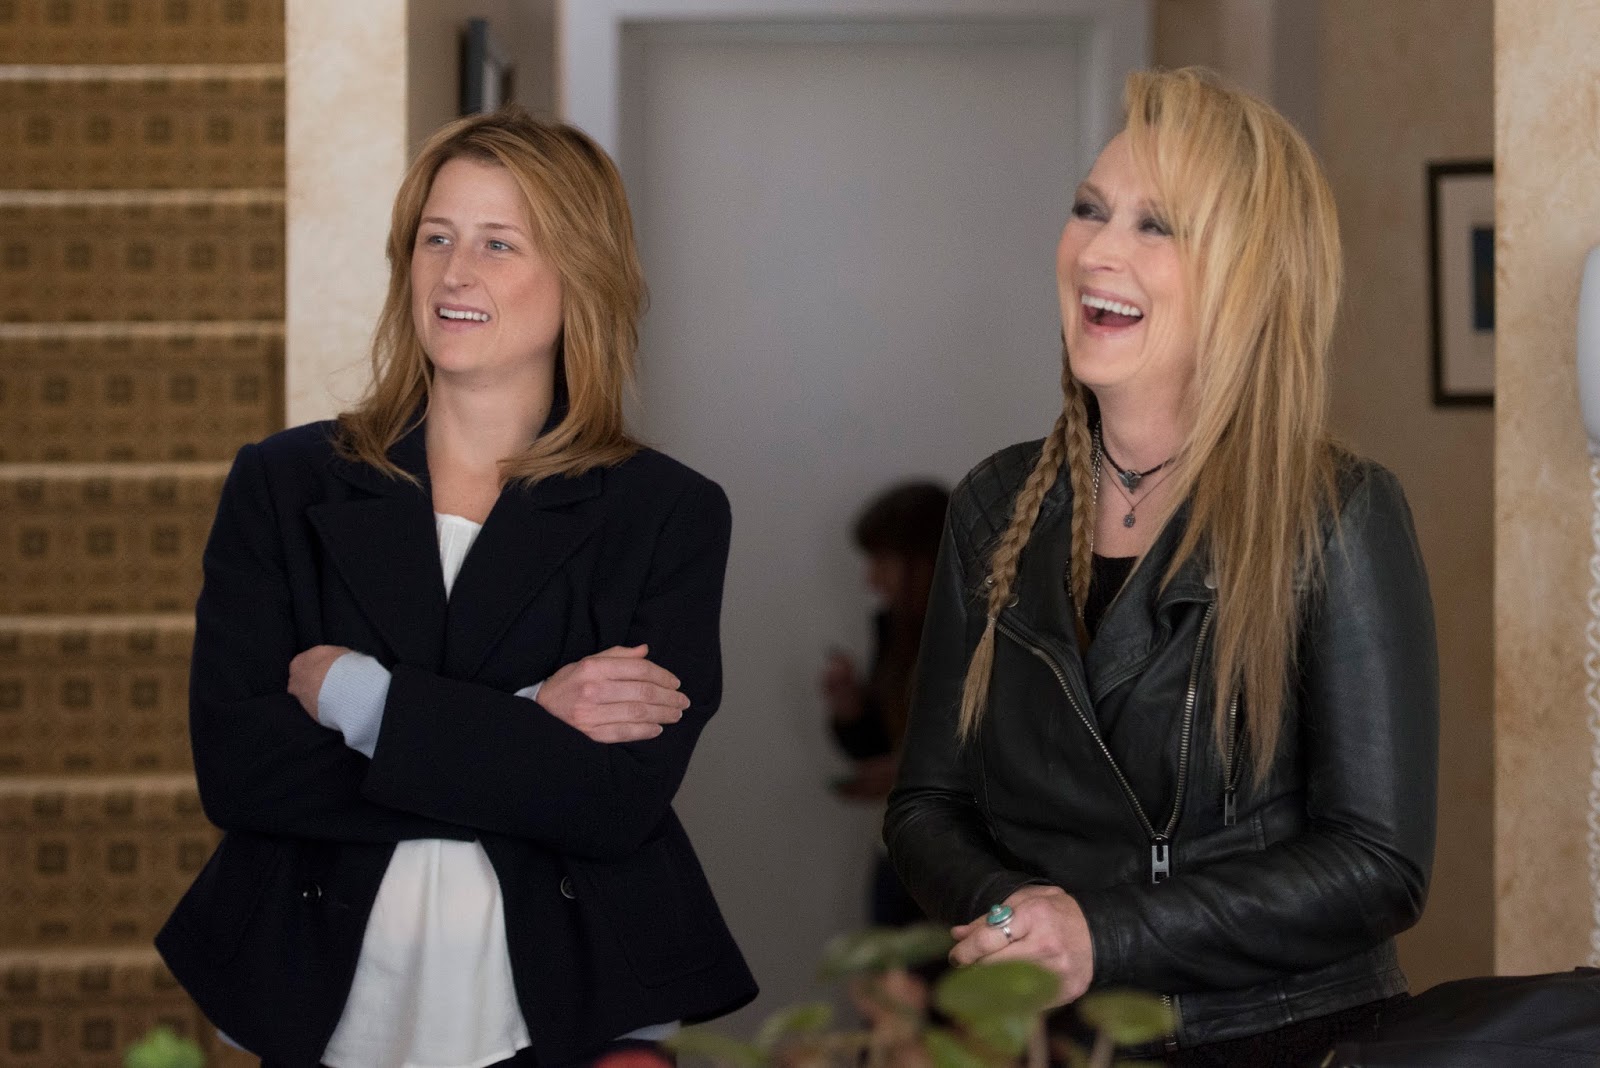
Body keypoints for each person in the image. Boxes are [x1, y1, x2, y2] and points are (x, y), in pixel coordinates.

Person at [156, 107, 757, 1068]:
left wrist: (364, 701)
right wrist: (529, 720)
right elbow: (241, 769)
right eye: (435, 238)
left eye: (497, 244)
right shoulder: (284, 482)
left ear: (581, 274)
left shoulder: (668, 512)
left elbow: (613, 802)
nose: (454, 273)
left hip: (566, 1005)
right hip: (315, 997)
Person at [884, 67, 1438, 1067]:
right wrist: (1020, 919)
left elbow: (1378, 862)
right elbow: (927, 807)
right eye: (1089, 210)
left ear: (1249, 275)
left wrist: (1102, 933)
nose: (1098, 250)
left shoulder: (1338, 514)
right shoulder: (993, 505)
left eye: (1157, 226)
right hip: (1053, 1041)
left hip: (1280, 1042)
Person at [821, 480, 948, 927]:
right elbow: (875, 747)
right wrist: (850, 707)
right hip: (897, 846)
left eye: (882, 561)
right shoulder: (894, 631)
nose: (871, 580)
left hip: (956, 858)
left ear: (925, 559)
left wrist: (907, 771)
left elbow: (996, 750)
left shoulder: (980, 635)